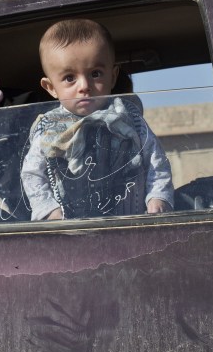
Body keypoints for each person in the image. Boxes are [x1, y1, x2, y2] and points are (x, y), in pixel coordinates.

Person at [21, 19, 174, 220]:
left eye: (95, 74)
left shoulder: (130, 119)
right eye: (69, 78)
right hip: (71, 228)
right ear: (50, 87)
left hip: (130, 224)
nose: (84, 86)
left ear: (112, 76)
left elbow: (156, 161)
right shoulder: (50, 127)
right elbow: (32, 173)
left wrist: (158, 197)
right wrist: (48, 209)